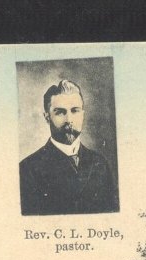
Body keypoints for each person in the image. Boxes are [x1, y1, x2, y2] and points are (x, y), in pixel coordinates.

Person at [20, 79, 119, 215]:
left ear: (83, 115)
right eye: (60, 112)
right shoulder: (27, 170)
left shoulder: (100, 163)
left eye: (75, 111)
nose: (69, 120)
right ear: (47, 117)